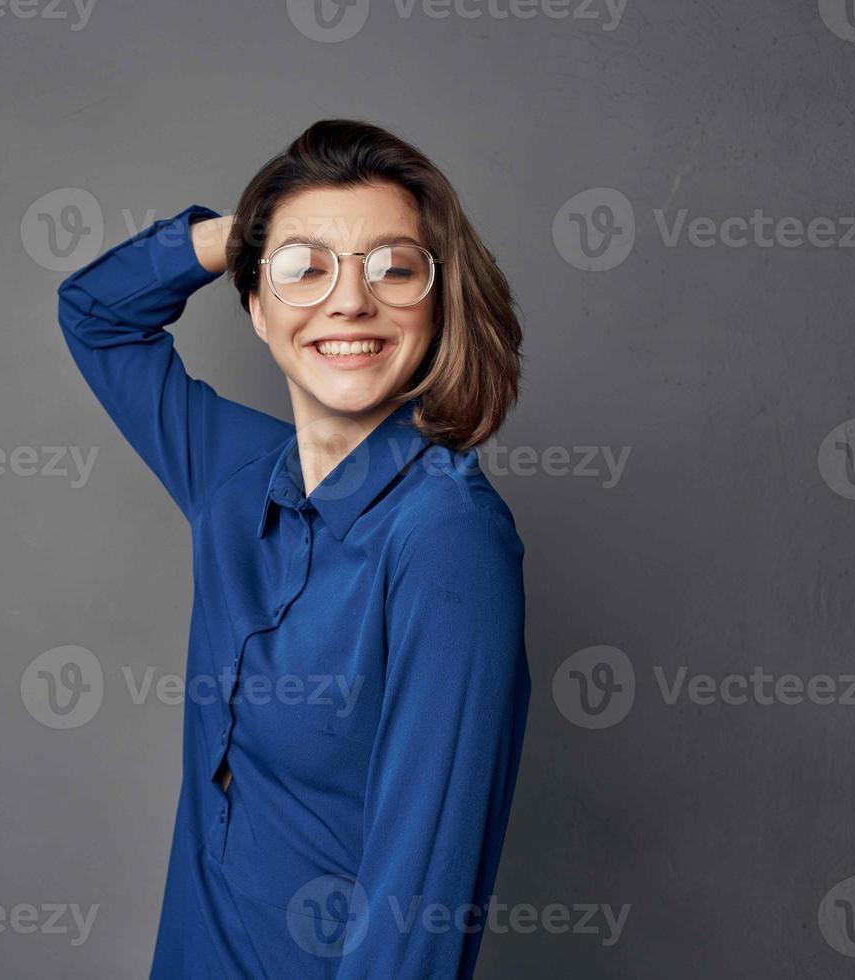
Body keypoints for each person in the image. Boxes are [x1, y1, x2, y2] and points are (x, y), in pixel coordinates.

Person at [55, 118, 530, 979]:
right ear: (254, 308)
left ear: (439, 302)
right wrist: (247, 233)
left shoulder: (446, 539)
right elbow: (95, 314)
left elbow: (417, 906)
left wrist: (295, 252)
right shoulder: (230, 474)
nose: (349, 301)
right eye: (305, 272)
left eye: (392, 267)